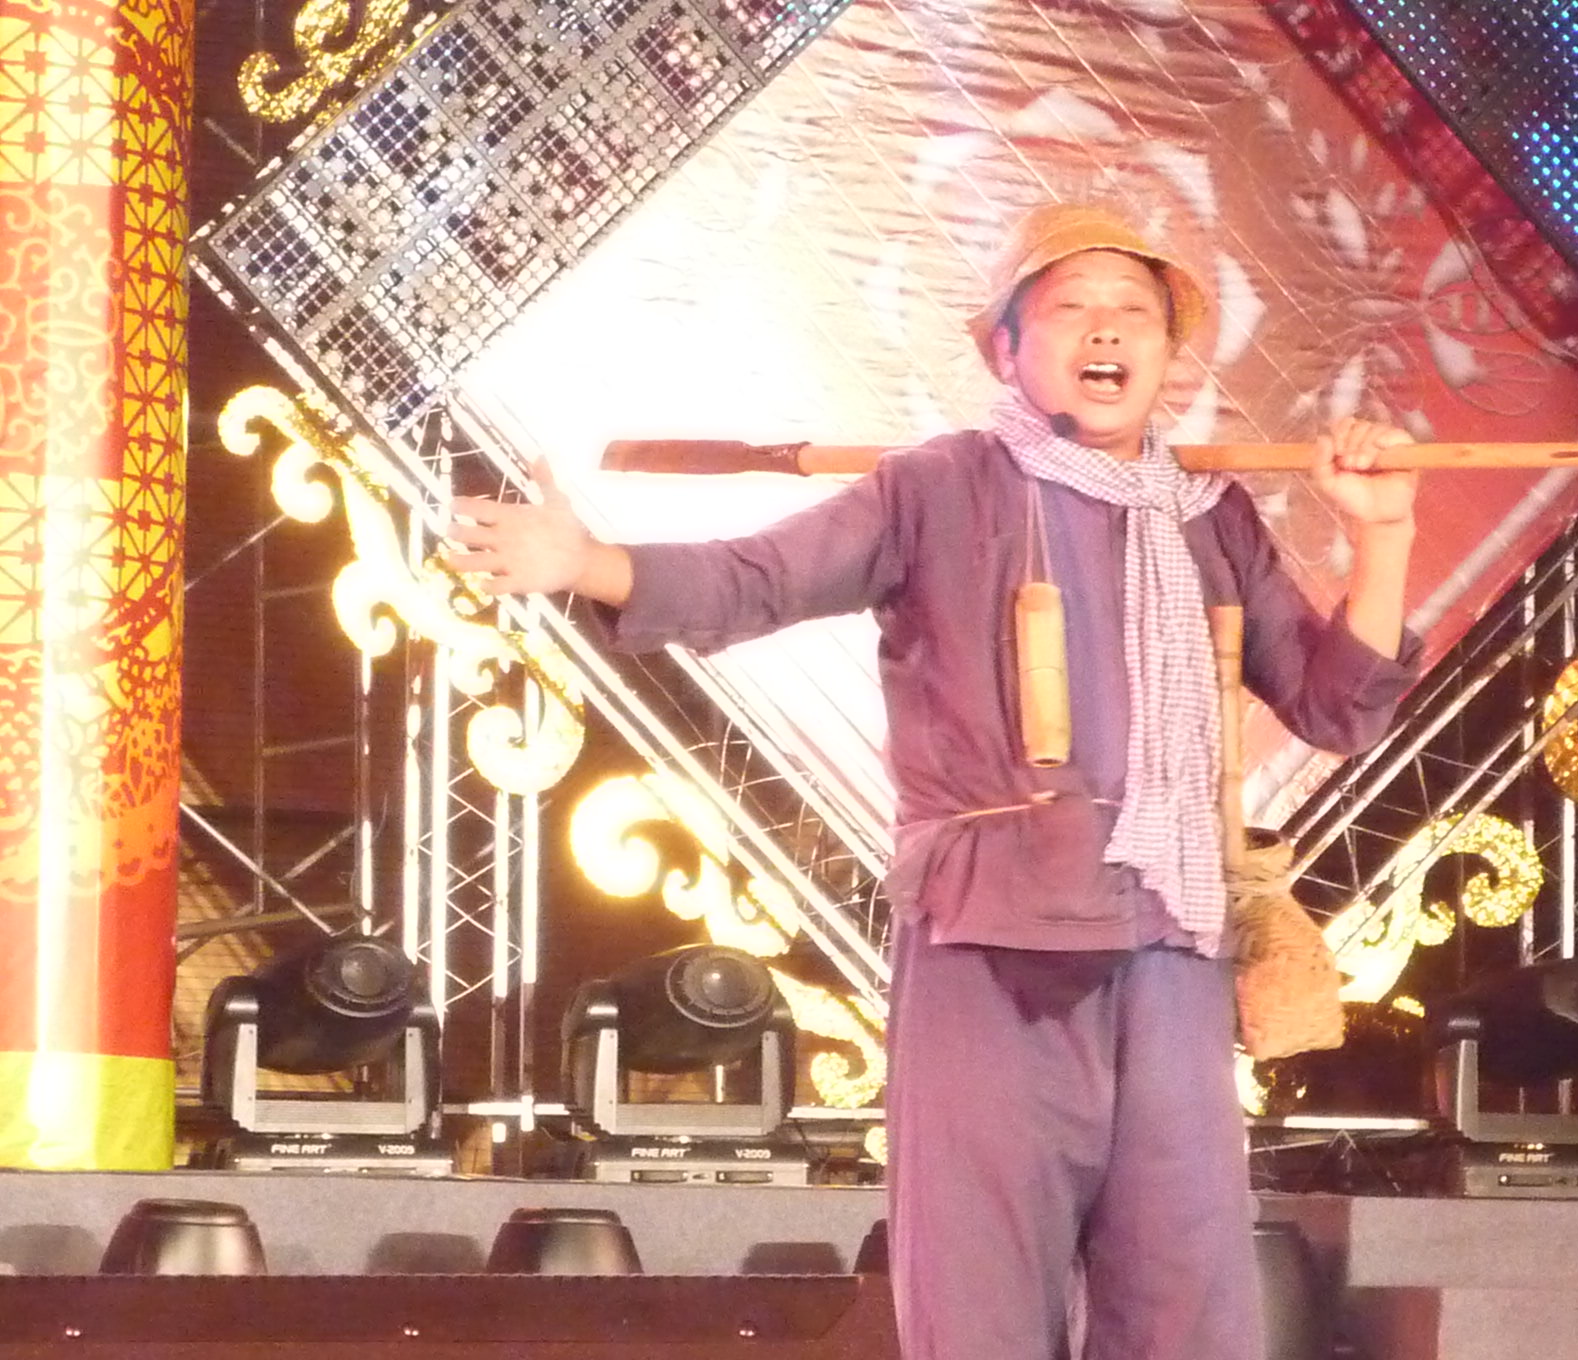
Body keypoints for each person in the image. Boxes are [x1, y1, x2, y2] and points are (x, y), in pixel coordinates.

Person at [447, 203, 1420, 1360]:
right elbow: (755, 578)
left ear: (1168, 356)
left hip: (1171, 943)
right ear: (1004, 347)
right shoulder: (939, 488)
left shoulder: (1210, 519)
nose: (1105, 329)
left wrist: (1382, 538)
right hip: (991, 937)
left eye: (1134, 312)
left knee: (1187, 1305)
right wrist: (585, 562)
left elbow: (1333, 705)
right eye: (1069, 307)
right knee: (978, 1299)